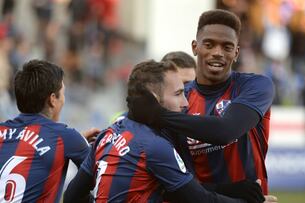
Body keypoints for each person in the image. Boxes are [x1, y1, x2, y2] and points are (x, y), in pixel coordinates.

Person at [127, 9, 277, 202]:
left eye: (227, 47)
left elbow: (226, 131)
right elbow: (175, 180)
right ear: (195, 47)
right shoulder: (180, 99)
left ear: (236, 53)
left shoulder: (256, 86)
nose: (217, 53)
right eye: (209, 44)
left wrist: (158, 115)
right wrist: (228, 191)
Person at [64, 60, 264, 203]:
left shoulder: (108, 134)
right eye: (178, 94)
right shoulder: (153, 145)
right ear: (152, 98)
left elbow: (72, 195)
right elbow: (198, 199)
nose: (186, 103)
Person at [0, 59, 98, 202]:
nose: (64, 100)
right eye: (63, 94)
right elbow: (103, 174)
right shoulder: (65, 137)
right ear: (53, 99)